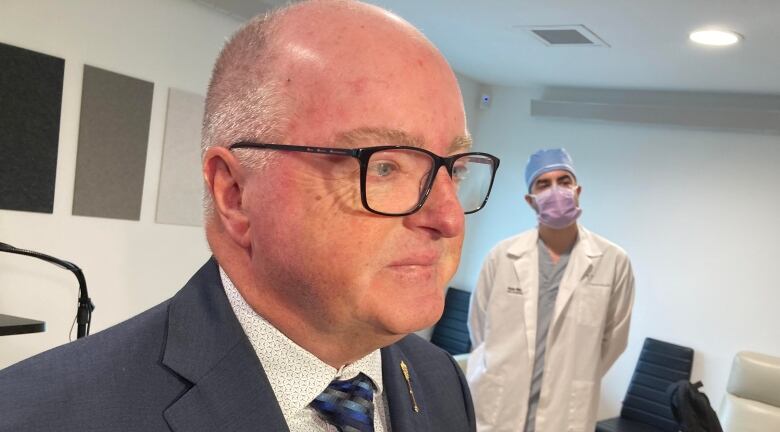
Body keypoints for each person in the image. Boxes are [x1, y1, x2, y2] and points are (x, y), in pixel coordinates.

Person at [0, 1, 501, 430]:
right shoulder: (42, 414)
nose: (448, 218)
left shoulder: (438, 380)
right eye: (386, 167)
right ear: (235, 193)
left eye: (453, 172)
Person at [466, 148, 634, 432]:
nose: (556, 190)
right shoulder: (502, 256)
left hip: (566, 411)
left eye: (564, 181)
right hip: (499, 405)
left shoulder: (613, 262)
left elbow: (613, 342)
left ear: (578, 190)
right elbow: (479, 329)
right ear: (531, 200)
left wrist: (572, 376)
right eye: (543, 184)